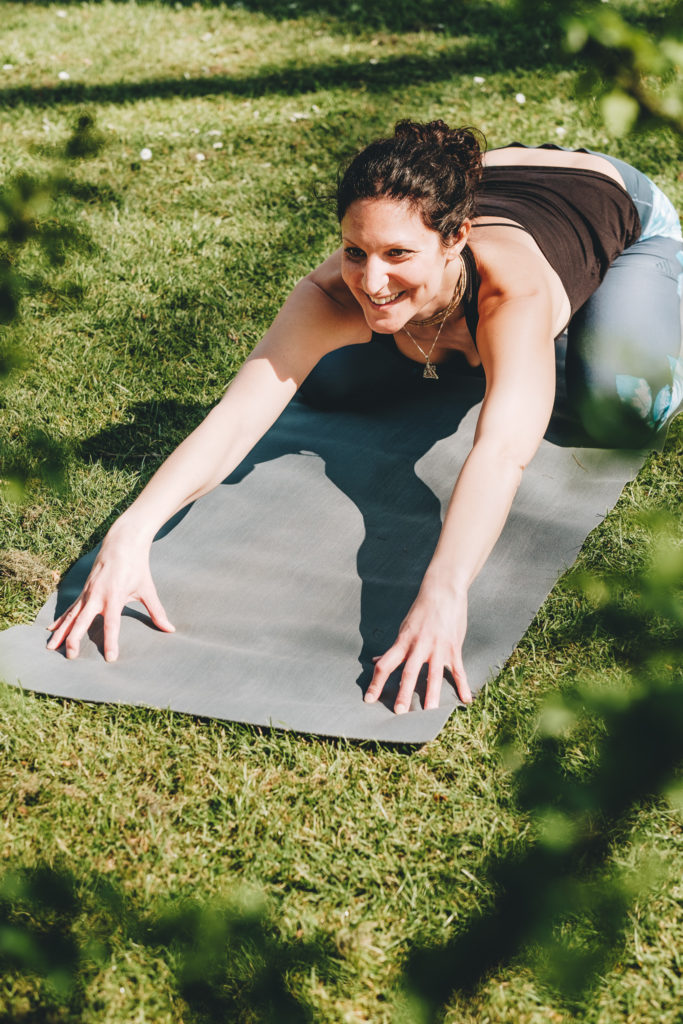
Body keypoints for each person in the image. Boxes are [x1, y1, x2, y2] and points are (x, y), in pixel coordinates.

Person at [47, 120, 683, 714]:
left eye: (398, 255)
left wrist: (443, 592)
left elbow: (500, 451)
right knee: (337, 381)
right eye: (356, 251)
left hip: (609, 202)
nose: (372, 281)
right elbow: (238, 416)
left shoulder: (511, 293)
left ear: (456, 238)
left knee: (624, 407)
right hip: (484, 188)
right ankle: (458, 328)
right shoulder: (332, 292)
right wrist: (132, 531)